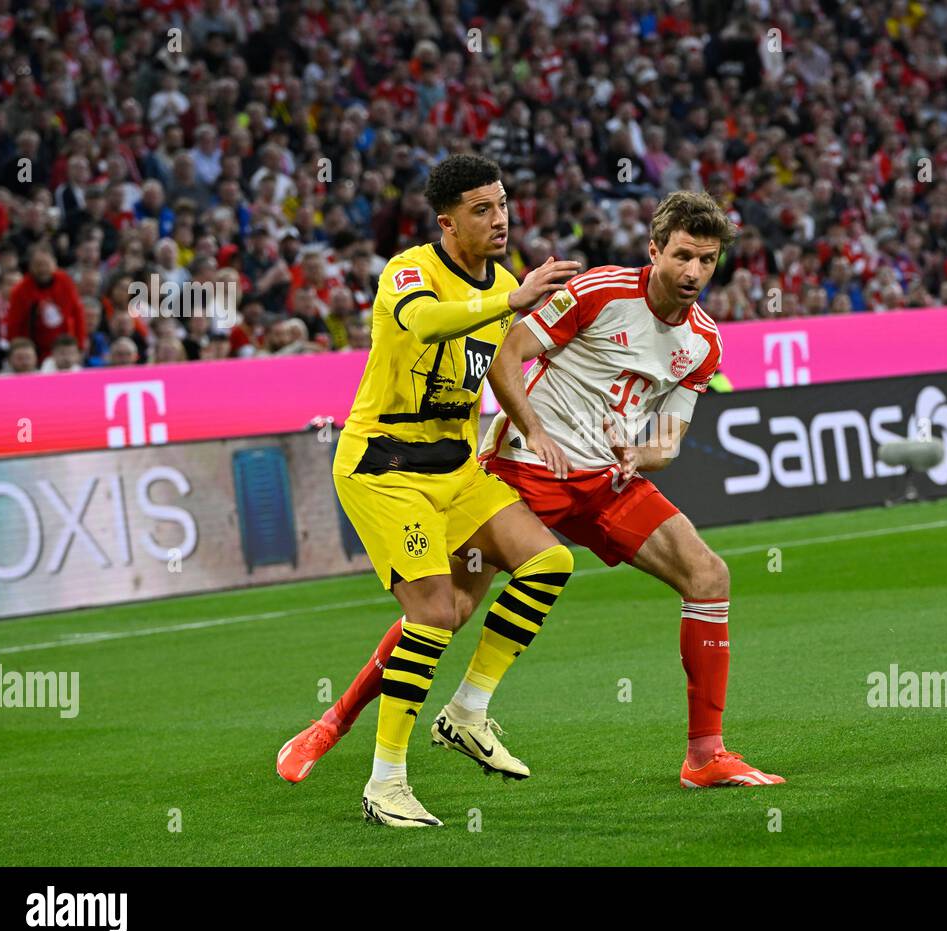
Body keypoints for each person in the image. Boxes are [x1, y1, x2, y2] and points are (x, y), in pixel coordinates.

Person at [282, 190, 784, 790]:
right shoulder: (600, 292)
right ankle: (332, 724)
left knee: (709, 576)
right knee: (446, 612)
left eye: (707, 260)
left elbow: (669, 443)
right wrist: (535, 430)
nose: (694, 272)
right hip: (524, 469)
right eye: (683, 256)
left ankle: (705, 755)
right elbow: (506, 354)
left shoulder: (703, 344)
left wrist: (639, 454)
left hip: (606, 480)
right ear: (654, 250)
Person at [276, 155, 580, 828]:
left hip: (456, 469)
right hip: (385, 468)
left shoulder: (501, 281)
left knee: (549, 561)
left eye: (502, 205)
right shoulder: (409, 271)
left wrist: (530, 427)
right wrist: (512, 300)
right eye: (481, 209)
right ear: (447, 223)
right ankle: (385, 784)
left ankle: (468, 710)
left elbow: (498, 363)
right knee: (436, 614)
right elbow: (426, 324)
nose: (499, 219)